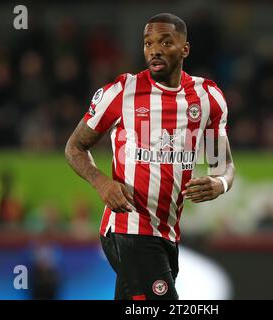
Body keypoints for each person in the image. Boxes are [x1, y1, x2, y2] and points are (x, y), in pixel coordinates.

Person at [65, 13, 235, 300]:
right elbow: (74, 147)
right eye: (148, 43)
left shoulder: (207, 98)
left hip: (166, 232)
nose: (154, 49)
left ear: (185, 49)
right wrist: (102, 183)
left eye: (165, 42)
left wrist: (220, 184)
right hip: (127, 227)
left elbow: (223, 164)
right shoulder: (122, 92)